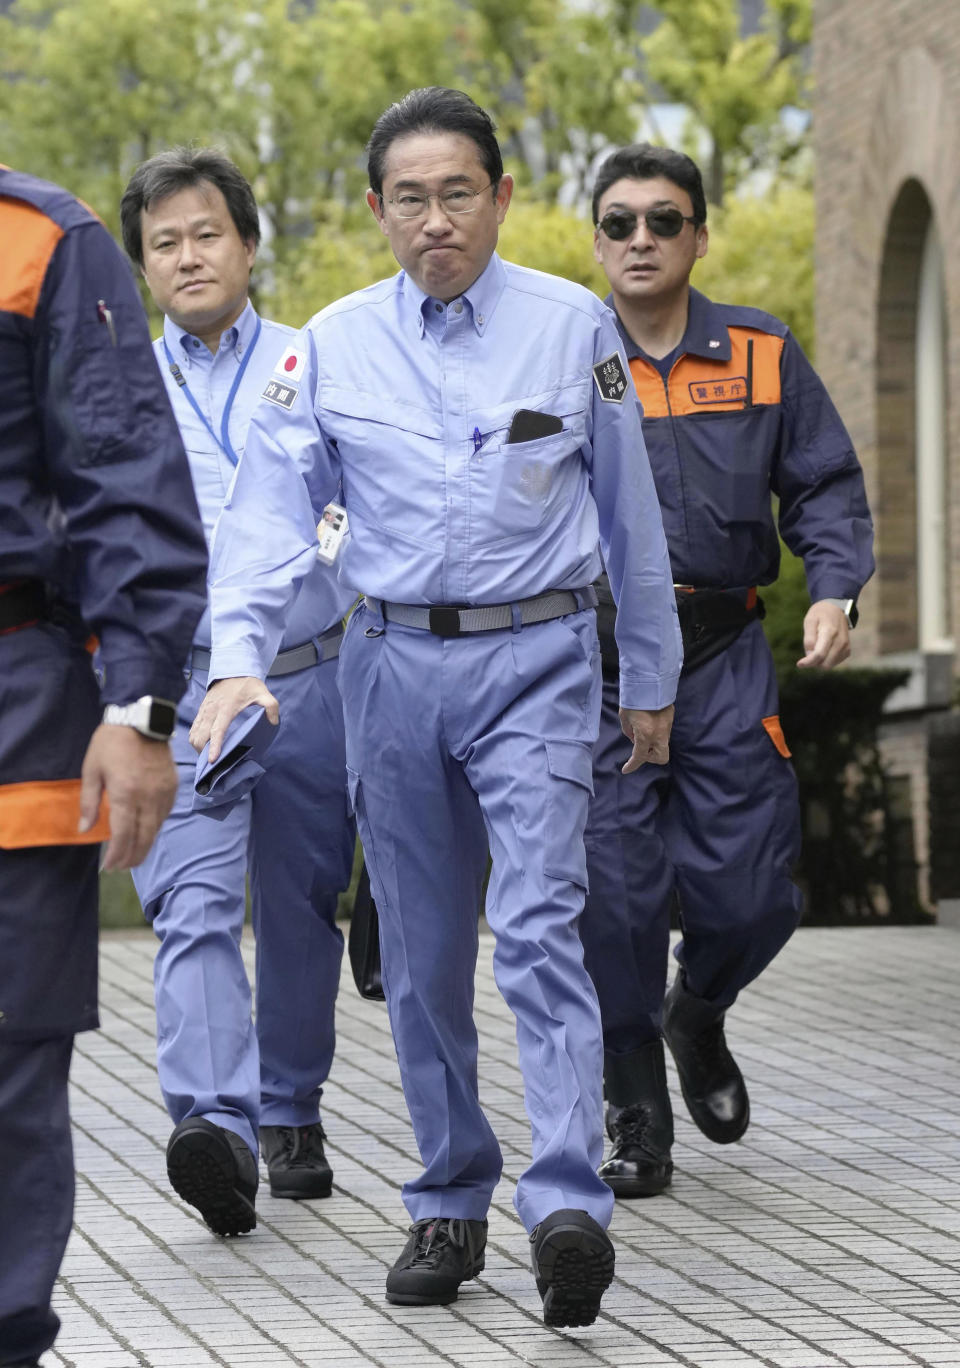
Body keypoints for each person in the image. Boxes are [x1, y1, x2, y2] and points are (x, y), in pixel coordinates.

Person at [190, 88, 682, 1327]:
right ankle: (450, 1197)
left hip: (541, 657)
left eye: (458, 192)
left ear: (502, 198)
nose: (434, 220)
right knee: (416, 955)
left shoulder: (575, 330)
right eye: (408, 198)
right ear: (376, 211)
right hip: (389, 666)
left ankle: (567, 1200)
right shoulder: (333, 347)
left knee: (536, 925)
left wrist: (655, 682)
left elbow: (631, 519)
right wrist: (239, 655)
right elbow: (264, 513)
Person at [580, 143, 874, 1200]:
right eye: (620, 223)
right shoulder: (567, 356)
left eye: (664, 221)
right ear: (596, 239)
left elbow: (827, 484)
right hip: (601, 666)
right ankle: (633, 1103)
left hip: (722, 654)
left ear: (699, 235)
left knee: (756, 894)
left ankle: (695, 1014)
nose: (642, 240)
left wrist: (836, 589)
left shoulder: (759, 350)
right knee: (610, 896)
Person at [118, 148, 356, 1236]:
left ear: (250, 245)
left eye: (206, 233)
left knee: (304, 906)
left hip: (309, 680)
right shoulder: (117, 383)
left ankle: (290, 1106)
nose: (188, 256)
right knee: (194, 906)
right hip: (181, 693)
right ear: (144, 268)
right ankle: (212, 1126)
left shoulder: (321, 362)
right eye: (164, 243)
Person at [0, 167, 207, 1368]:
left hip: (16, 709)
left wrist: (139, 706)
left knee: (9, 1077)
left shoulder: (44, 240)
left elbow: (127, 480)